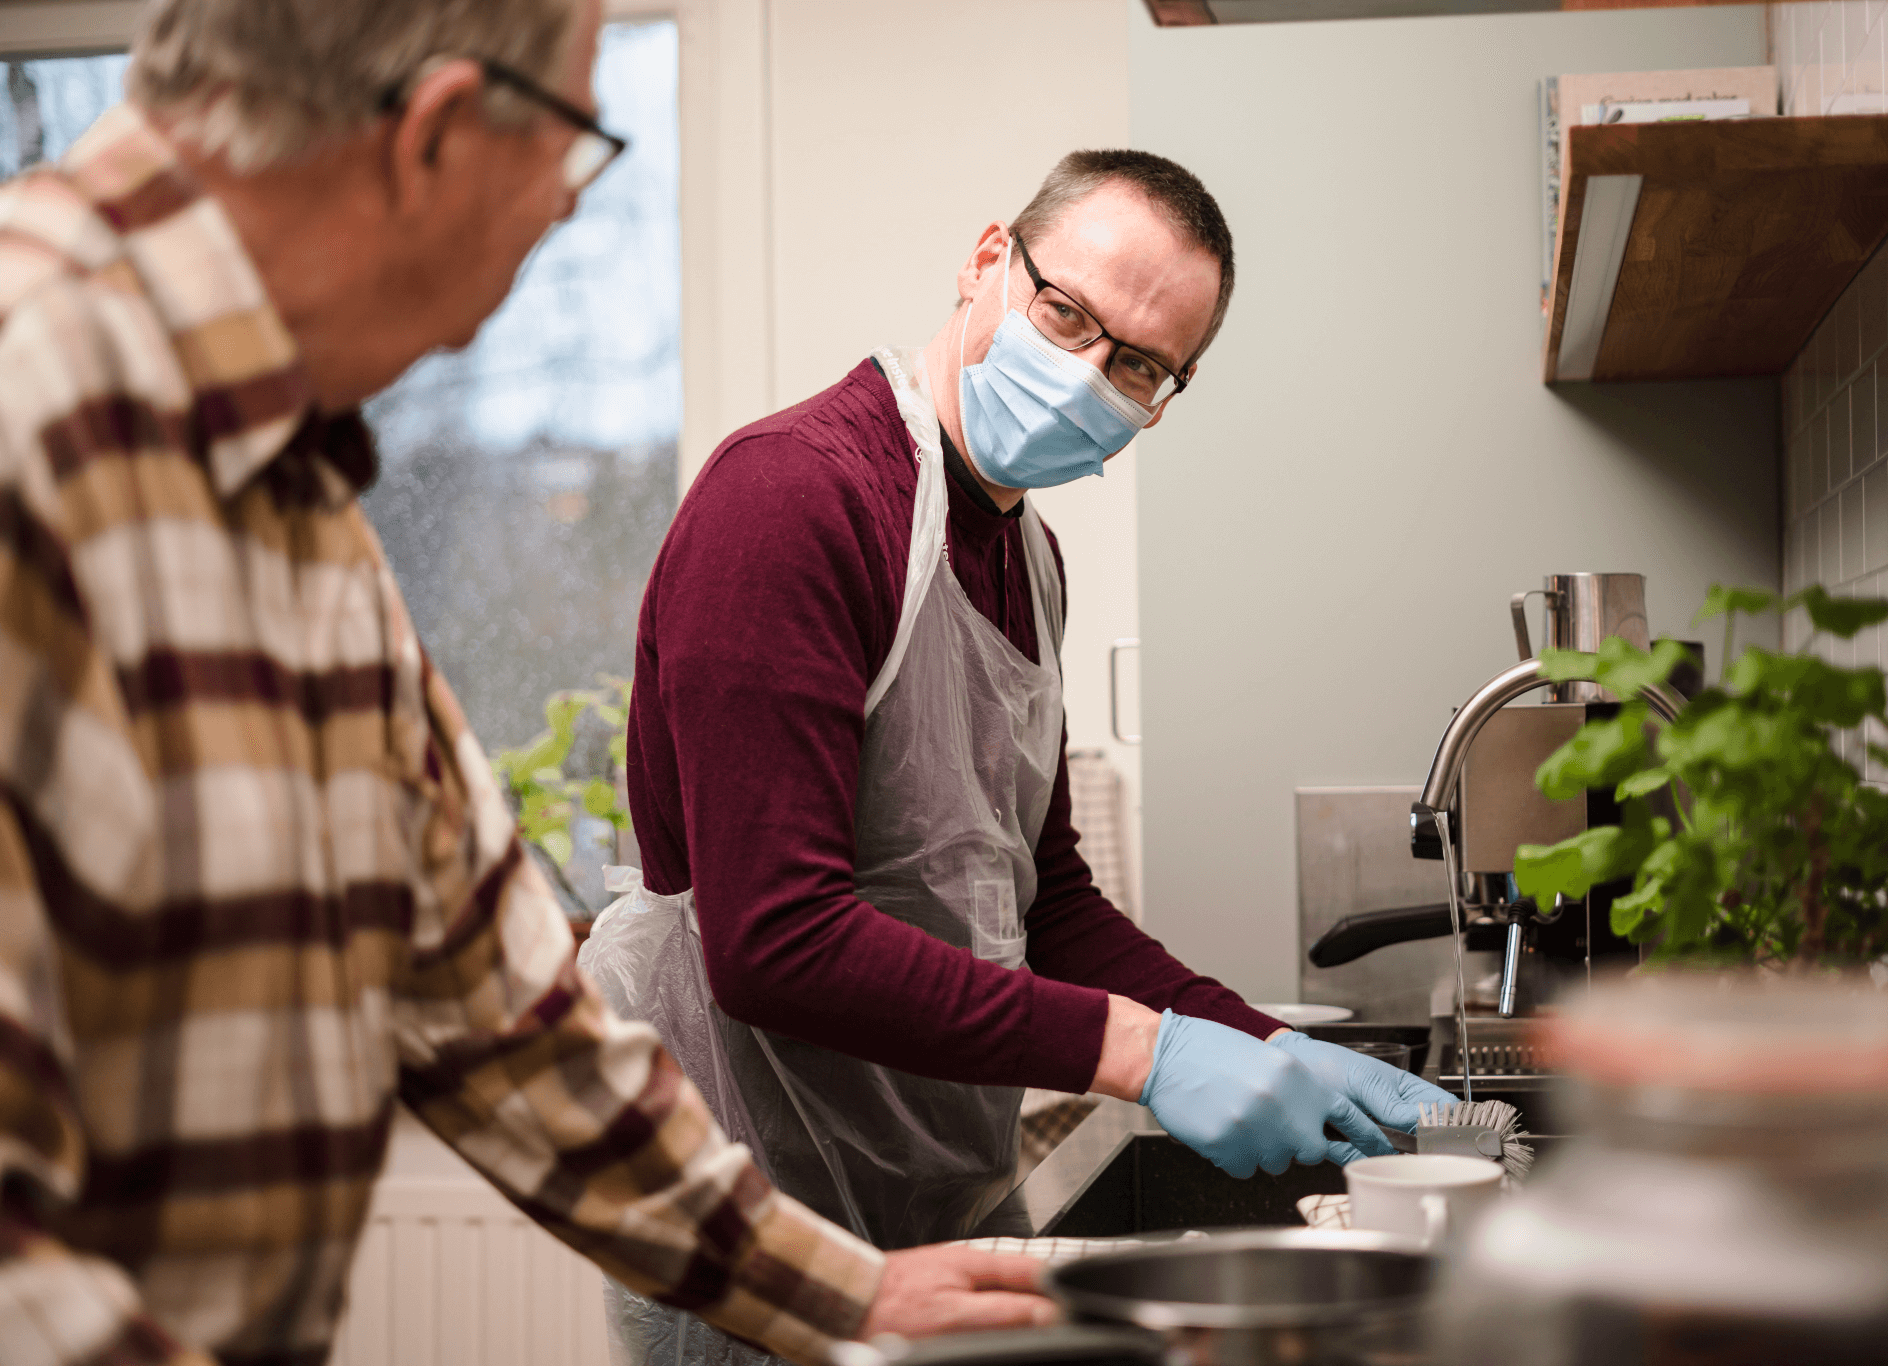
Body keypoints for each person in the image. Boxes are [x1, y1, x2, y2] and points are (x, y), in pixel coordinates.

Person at [0, 1, 1057, 1362]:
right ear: (435, 132)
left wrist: (834, 1290)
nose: (566, 211)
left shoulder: (281, 479)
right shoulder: (40, 415)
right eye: (575, 145)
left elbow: (493, 1010)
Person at [622, 150, 1456, 1289]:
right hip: (750, 1225)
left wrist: (1279, 1051)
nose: (1085, 373)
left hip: (926, 1193)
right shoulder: (789, 499)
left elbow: (1044, 896)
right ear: (984, 263)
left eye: (1137, 366)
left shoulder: (1030, 556)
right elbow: (773, 945)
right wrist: (1144, 1052)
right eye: (1064, 313)